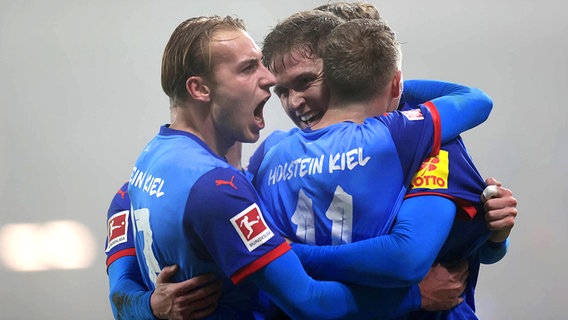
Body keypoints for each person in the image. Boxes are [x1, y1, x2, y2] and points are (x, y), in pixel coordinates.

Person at [123, 14, 487, 319]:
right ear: (199, 89)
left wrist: (147, 307)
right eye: (275, 85)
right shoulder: (237, 179)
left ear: (343, 73)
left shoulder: (150, 172)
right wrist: (417, 295)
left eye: (305, 81)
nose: (280, 93)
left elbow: (121, 294)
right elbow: (316, 297)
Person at [254, 10, 514, 320]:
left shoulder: (426, 143)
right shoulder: (276, 150)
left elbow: (445, 253)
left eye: (306, 81)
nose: (293, 102)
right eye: (281, 91)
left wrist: (496, 237)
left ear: (342, 71)